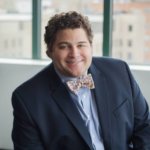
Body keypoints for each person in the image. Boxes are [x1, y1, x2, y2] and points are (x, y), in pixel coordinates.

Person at [11, 11, 150, 150]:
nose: (74, 54)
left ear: (91, 46)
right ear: (50, 52)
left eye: (81, 45)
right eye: (64, 46)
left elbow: (145, 128)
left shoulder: (120, 71)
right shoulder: (27, 99)